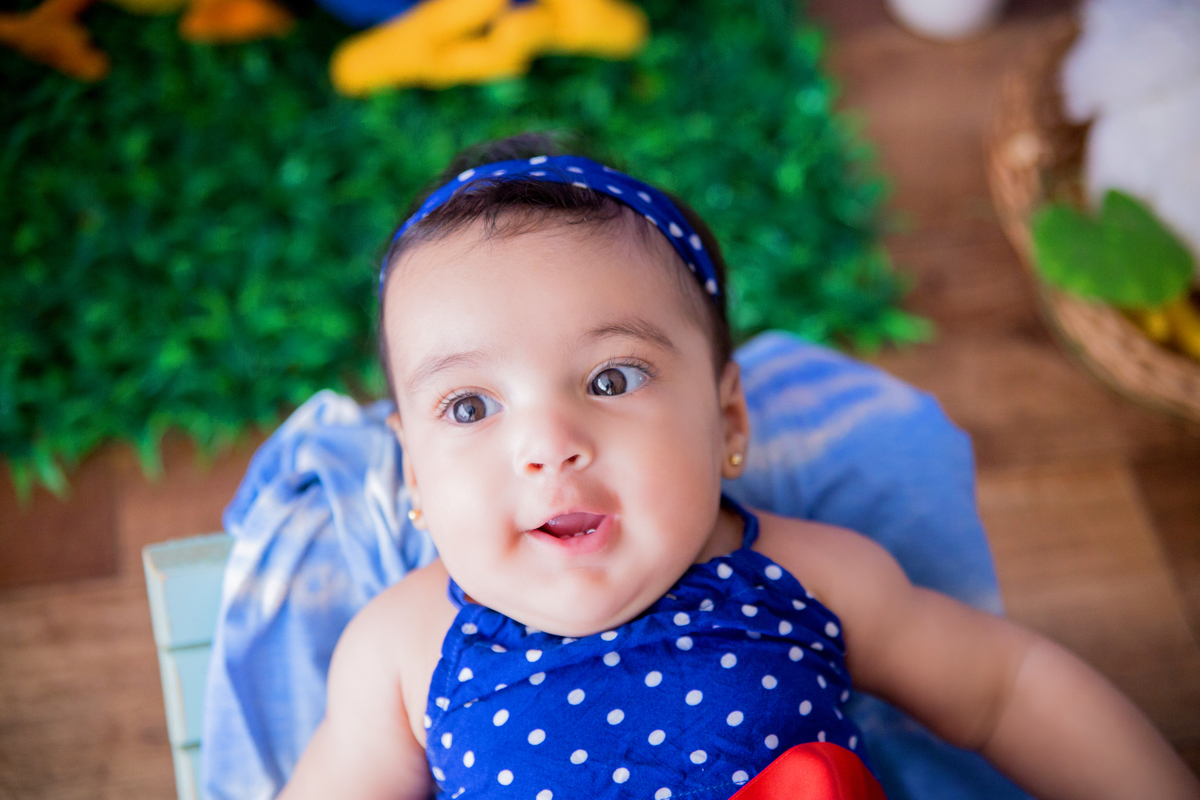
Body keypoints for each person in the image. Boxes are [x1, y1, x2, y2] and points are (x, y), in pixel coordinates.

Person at [279, 133, 1200, 800]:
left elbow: (1006, 691)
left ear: (727, 417)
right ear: (411, 477)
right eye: (470, 406)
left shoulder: (807, 579)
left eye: (611, 377)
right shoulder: (402, 652)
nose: (546, 443)